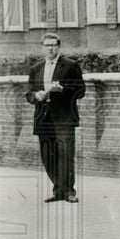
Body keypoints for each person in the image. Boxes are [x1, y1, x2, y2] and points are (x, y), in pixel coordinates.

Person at [25, 33, 86, 203]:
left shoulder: (71, 65)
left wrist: (62, 90)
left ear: (59, 46)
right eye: (47, 45)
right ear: (42, 47)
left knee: (66, 154)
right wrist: (35, 96)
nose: (51, 48)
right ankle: (58, 189)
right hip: (43, 118)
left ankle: (69, 192)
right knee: (48, 156)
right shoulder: (35, 68)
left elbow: (81, 91)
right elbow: (28, 94)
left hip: (64, 118)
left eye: (54, 45)